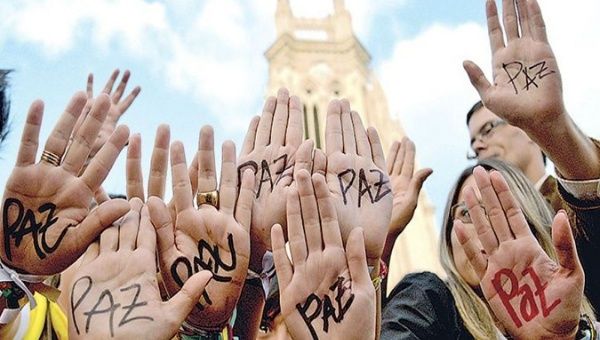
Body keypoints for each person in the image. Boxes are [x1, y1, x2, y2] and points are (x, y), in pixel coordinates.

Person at [463, 0, 600, 313]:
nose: (480, 147)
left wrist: (553, 128)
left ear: (523, 128)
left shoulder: (571, 205)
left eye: (488, 130)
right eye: (473, 142)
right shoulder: (481, 239)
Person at [381, 159, 595, 339]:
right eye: (467, 213)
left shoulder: (580, 318)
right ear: (448, 237)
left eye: (499, 212)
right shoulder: (429, 299)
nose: (484, 229)